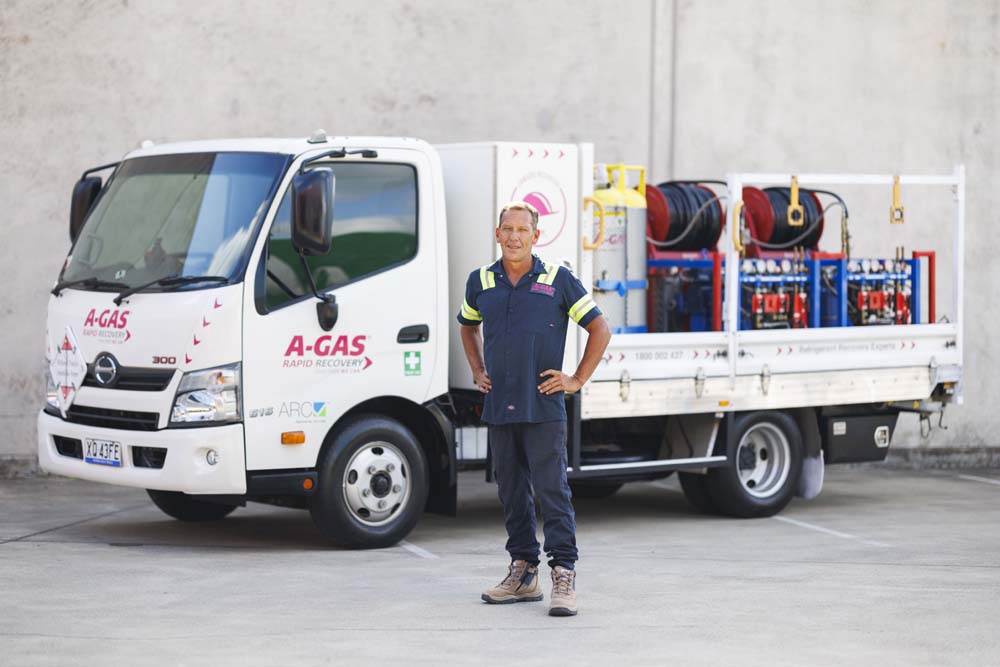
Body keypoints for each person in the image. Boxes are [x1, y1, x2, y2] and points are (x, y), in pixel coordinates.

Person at [457, 201, 611, 617]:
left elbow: (600, 328)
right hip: (500, 405)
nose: (514, 237)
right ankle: (524, 573)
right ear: (497, 233)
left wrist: (576, 379)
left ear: (535, 236)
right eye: (507, 229)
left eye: (522, 230)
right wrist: (477, 369)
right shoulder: (480, 280)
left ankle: (563, 572)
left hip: (543, 405)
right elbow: (467, 326)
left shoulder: (558, 280)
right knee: (511, 492)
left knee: (551, 491)